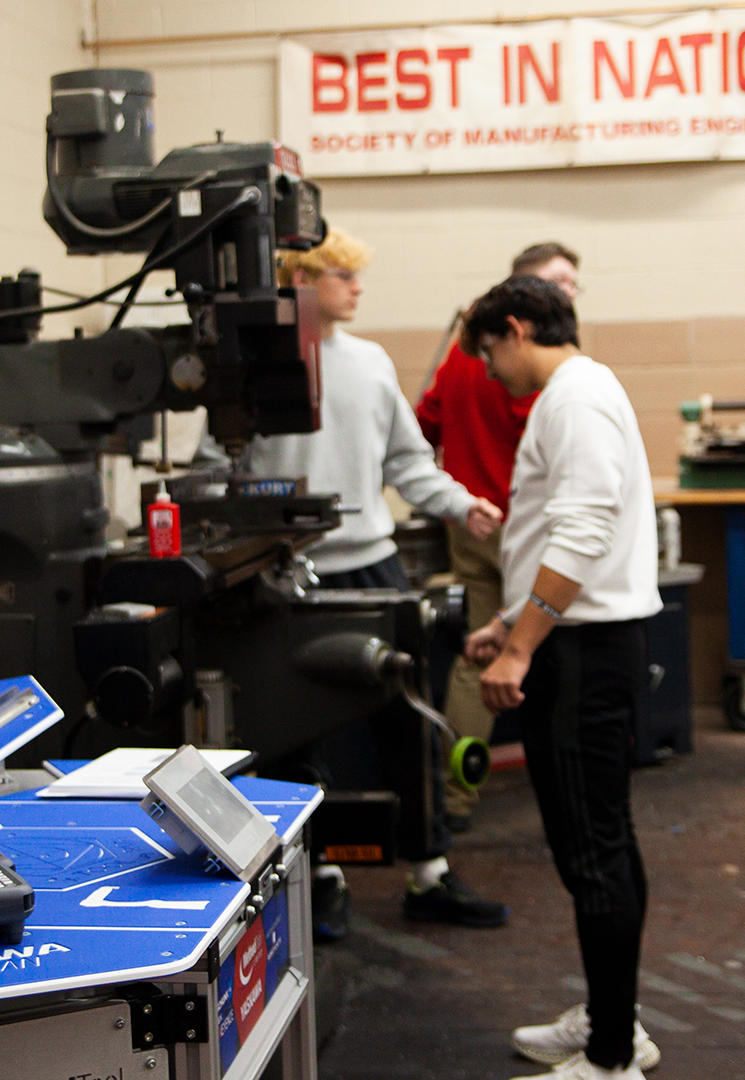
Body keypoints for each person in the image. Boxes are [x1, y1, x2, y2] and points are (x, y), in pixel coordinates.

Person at [244, 225, 509, 936]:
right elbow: (221, 464)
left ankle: (430, 872)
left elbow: (409, 463)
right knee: (298, 736)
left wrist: (462, 504)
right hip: (287, 576)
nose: (358, 287)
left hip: (372, 566)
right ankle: (320, 879)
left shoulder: (369, 362)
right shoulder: (253, 366)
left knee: (410, 719)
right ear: (300, 278)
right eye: (342, 275)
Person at [458, 277, 663, 1080]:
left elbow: (583, 533)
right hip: (579, 639)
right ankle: (617, 1022)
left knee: (593, 855)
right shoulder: (579, 393)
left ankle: (612, 1061)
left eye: (488, 350)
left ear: (515, 328)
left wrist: (522, 649)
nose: (487, 369)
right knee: (607, 844)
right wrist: (513, 623)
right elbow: (572, 534)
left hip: (581, 654)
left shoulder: (573, 399)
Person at [414, 242, 581, 831]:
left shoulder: (463, 356)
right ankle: (553, 793)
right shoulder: (530, 370)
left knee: (476, 655)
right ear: (524, 308)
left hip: (467, 523)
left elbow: (422, 424)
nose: (571, 296)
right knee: (529, 648)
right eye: (561, 283)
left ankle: (452, 799)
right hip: (519, 528)